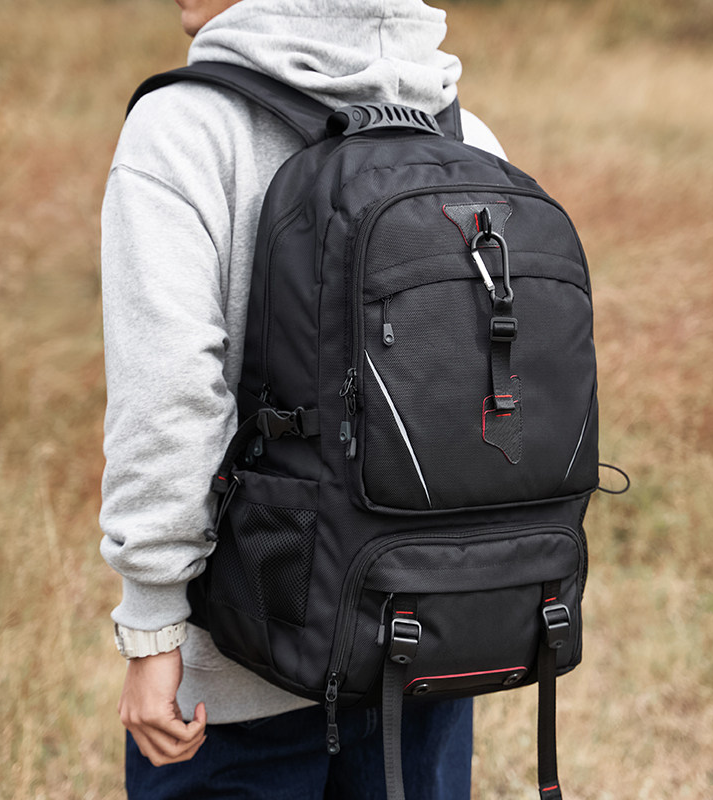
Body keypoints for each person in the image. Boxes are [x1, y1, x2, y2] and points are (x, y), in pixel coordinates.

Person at [100, 0, 507, 796]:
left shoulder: (184, 128)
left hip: (241, 661)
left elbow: (171, 393)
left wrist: (152, 622)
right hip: (427, 637)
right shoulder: (466, 133)